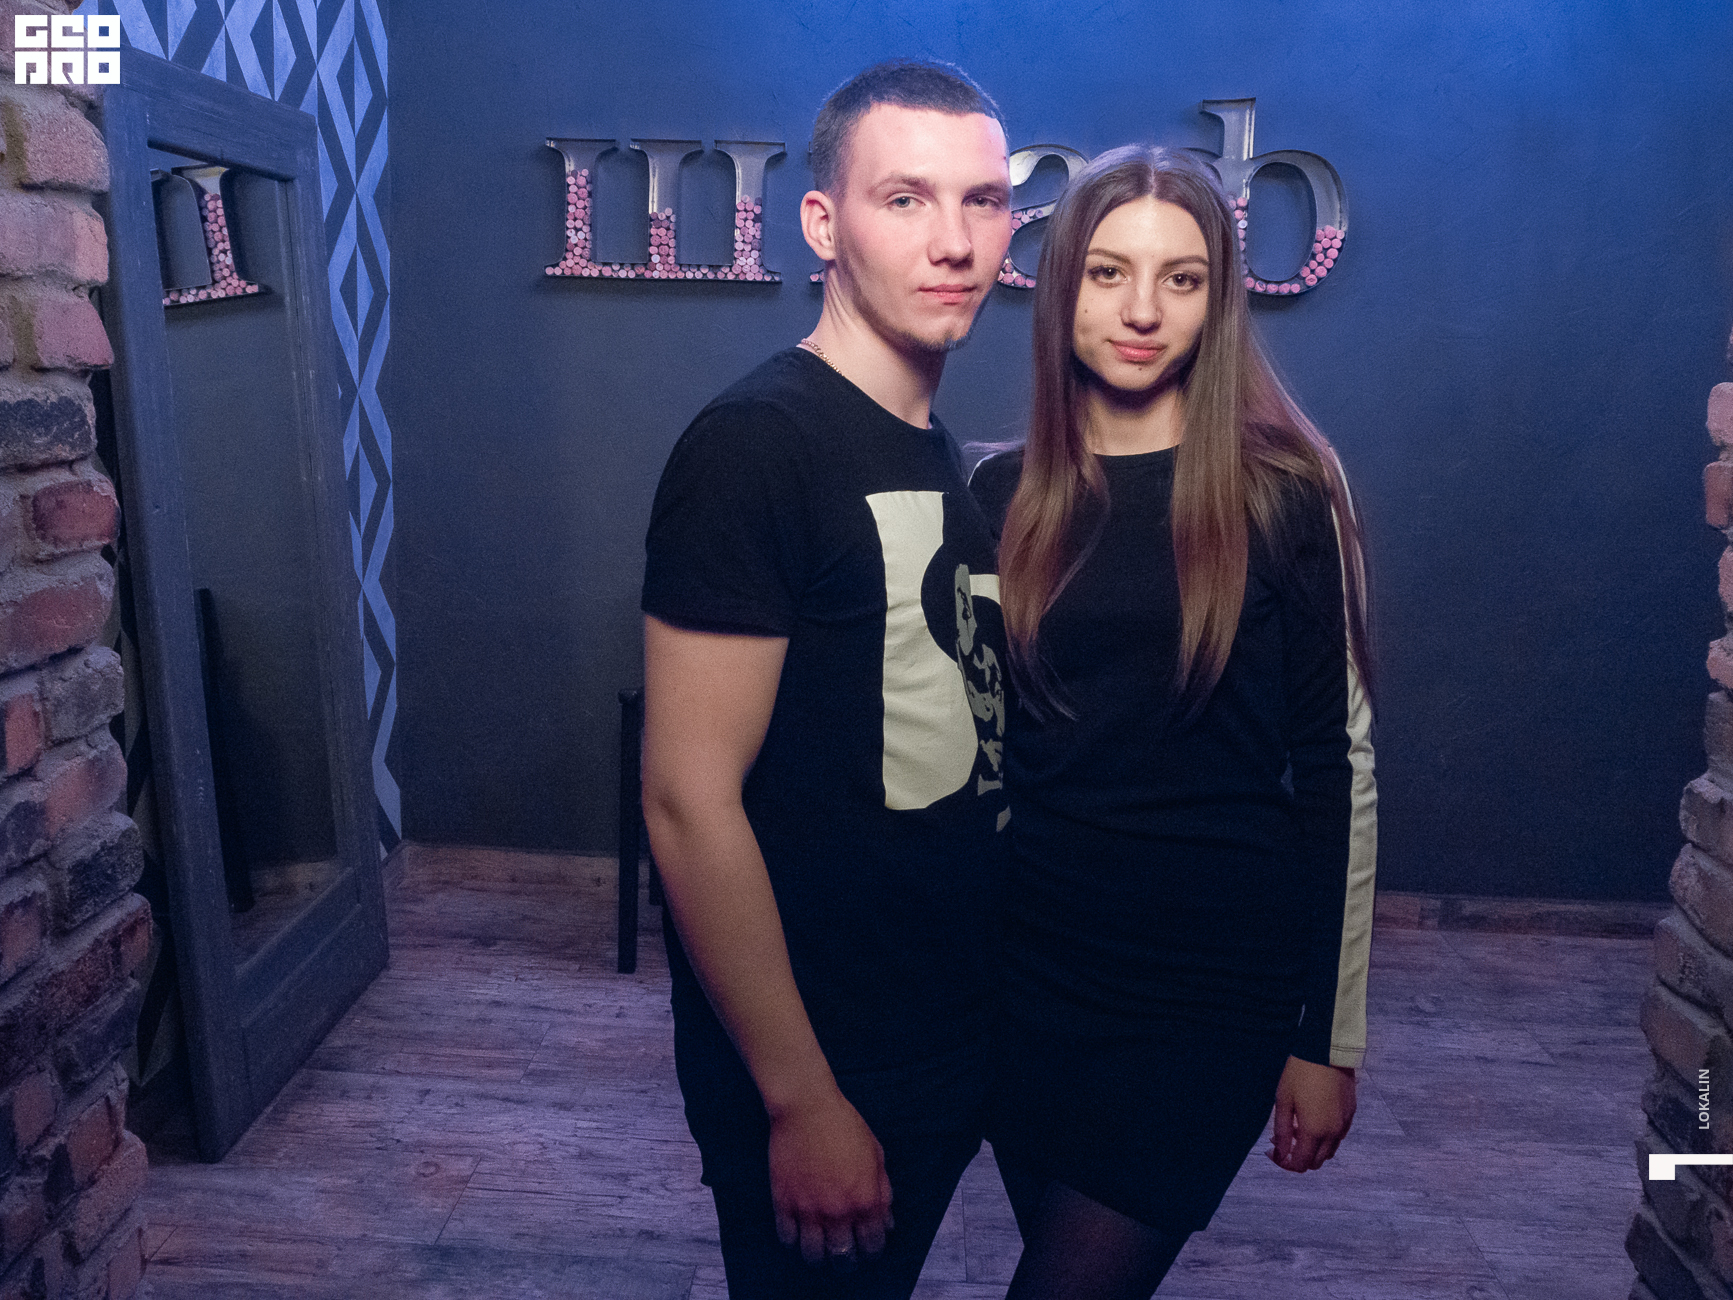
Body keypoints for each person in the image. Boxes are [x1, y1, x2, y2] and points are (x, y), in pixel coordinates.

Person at [968, 145, 1378, 1300]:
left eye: (1179, 278)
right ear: (1061, 286)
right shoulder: (996, 495)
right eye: (1107, 272)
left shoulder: (1286, 488)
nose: (1141, 310)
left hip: (1204, 996)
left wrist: (1327, 1036)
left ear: (1217, 299)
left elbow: (1335, 767)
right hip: (1026, 984)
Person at [639, 60, 1015, 1299]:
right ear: (821, 223)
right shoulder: (757, 445)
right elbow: (686, 801)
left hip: (940, 1030)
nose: (952, 240)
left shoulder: (928, 446)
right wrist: (800, 1097)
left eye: (980, 200)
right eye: (904, 198)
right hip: (830, 1060)